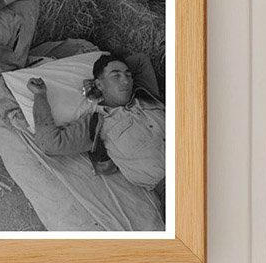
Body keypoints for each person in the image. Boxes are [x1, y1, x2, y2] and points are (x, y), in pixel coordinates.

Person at [28, 52, 165, 204]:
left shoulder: (144, 94)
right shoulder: (96, 123)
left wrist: (104, 81)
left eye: (128, 75)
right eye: (116, 76)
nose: (126, 81)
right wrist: (40, 95)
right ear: (99, 84)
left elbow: (140, 60)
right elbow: (50, 144)